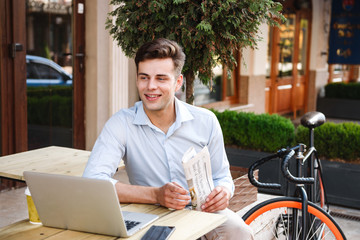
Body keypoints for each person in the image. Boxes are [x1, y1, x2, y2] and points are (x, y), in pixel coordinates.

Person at [83, 38, 254, 239]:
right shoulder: (121, 123)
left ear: (177, 82)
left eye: (161, 78)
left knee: (241, 232)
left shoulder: (206, 121)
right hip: (150, 213)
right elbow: (93, 181)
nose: (150, 86)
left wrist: (224, 191)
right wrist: (155, 195)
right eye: (144, 77)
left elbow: (222, 176)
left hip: (203, 211)